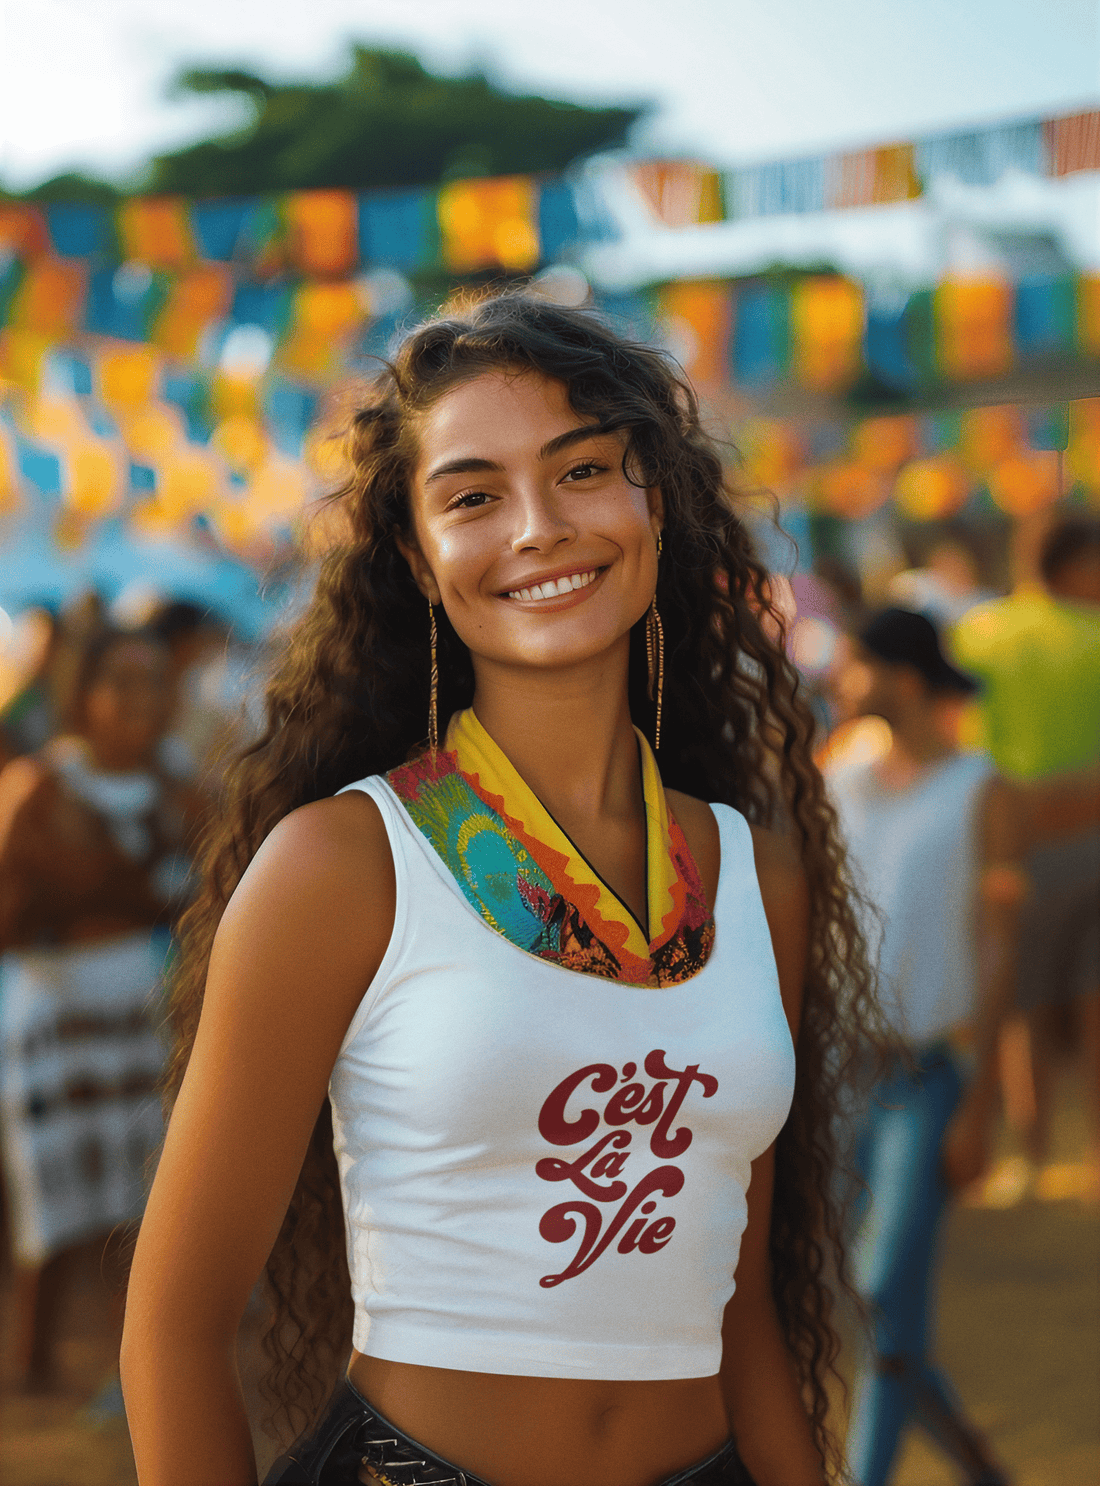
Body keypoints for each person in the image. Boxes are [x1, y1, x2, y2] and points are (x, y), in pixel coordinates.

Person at [121, 294, 879, 1486]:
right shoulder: (343, 866)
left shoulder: (750, 870)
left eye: (582, 471)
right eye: (473, 494)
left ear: (654, 505)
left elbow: (738, 1312)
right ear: (422, 562)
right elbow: (173, 1327)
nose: (536, 527)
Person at [827, 608, 1025, 1486]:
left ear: (903, 679)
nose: (839, 677)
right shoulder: (842, 774)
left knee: (877, 1296)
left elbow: (1000, 949)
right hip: (836, 1075)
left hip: (926, 1079)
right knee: (871, 1309)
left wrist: (982, 1105)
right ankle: (979, 1465)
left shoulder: (987, 789)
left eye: (857, 663)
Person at [0, 623, 203, 1390]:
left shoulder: (183, 788)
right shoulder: (39, 787)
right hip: (55, 1010)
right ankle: (34, 1364)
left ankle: (134, 1366)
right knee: (49, 1185)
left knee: (144, 1195)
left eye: (153, 679)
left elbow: (212, 896)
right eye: (119, 680)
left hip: (145, 1010)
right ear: (79, 694)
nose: (139, 697)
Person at [951, 514, 1100, 1201]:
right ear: (1074, 564)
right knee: (1092, 1000)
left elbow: (959, 736)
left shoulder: (980, 633)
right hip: (1090, 839)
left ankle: (1031, 1155)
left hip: (1010, 845)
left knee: (1021, 1003)